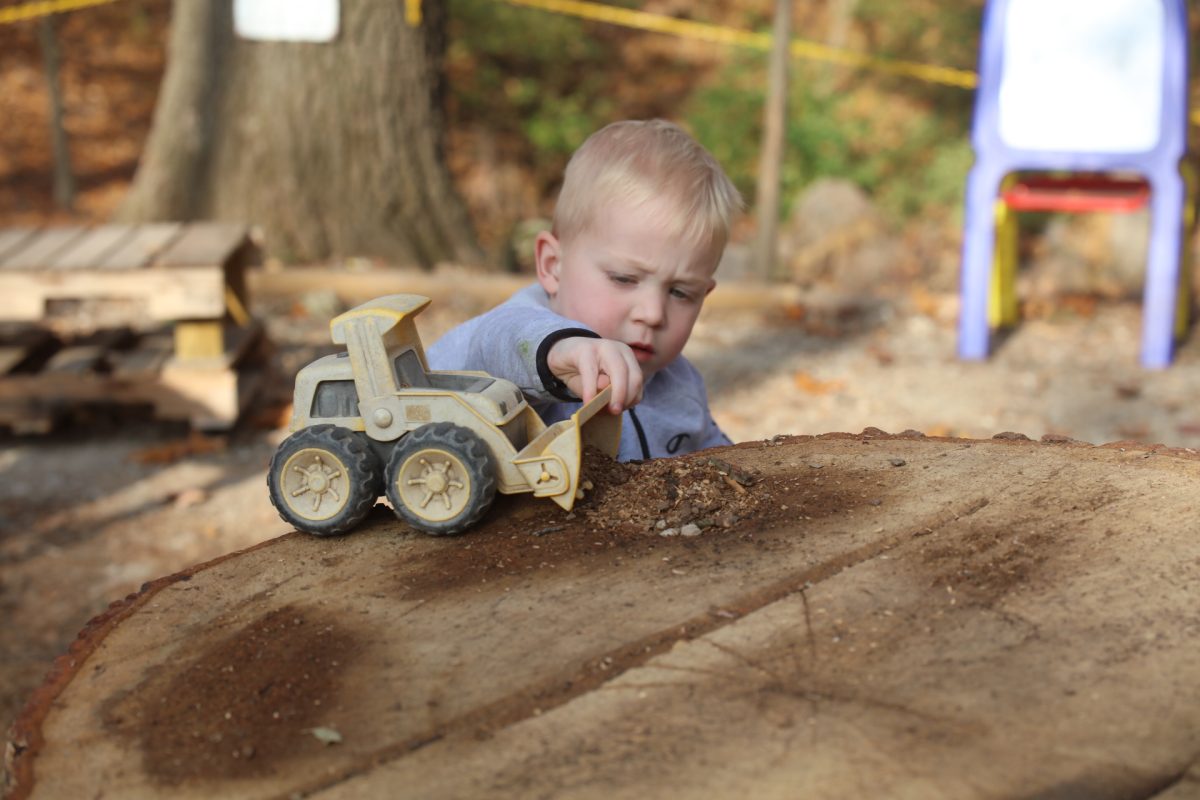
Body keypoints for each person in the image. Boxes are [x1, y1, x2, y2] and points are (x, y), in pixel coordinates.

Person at [428, 119, 742, 461]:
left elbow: (717, 455)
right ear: (552, 265)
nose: (652, 313)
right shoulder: (517, 330)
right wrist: (560, 350)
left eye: (680, 293)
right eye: (624, 278)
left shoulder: (680, 384)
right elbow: (501, 344)